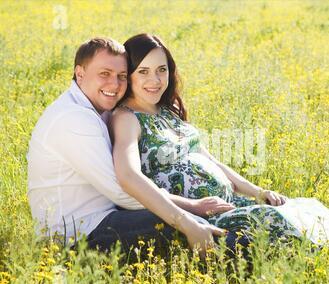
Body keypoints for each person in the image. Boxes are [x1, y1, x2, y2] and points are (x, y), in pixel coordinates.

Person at [111, 33, 329, 253]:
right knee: (277, 221)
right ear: (129, 76)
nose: (155, 80)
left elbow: (210, 160)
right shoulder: (127, 119)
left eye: (162, 69)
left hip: (227, 205)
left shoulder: (166, 112)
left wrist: (257, 191)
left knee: (301, 206)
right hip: (199, 218)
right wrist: (190, 211)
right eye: (143, 72)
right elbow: (128, 176)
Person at [27, 37, 231, 259]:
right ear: (80, 73)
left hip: (105, 218)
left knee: (191, 222)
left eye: (121, 76)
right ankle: (242, 261)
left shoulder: (97, 107)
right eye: (104, 74)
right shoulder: (73, 119)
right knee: (189, 226)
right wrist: (192, 208)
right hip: (76, 237)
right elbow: (123, 193)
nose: (114, 84)